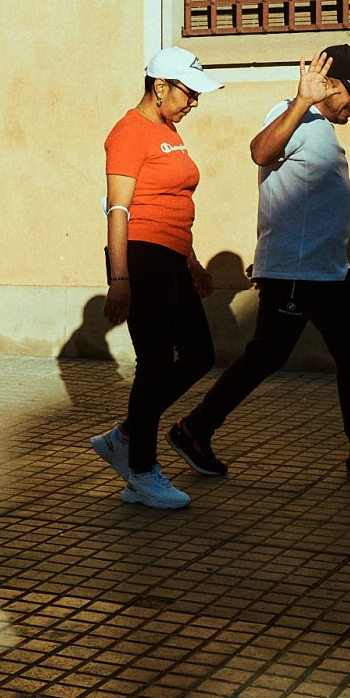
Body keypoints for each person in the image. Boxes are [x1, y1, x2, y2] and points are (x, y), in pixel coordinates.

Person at [166, 45, 350, 482]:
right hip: (296, 275)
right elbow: (261, 153)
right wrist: (301, 100)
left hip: (330, 271)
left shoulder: (321, 128)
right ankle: (194, 430)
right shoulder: (291, 114)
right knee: (266, 356)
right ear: (327, 84)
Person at [91, 47, 223, 509]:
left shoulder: (168, 130)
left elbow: (175, 206)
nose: (193, 103)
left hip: (171, 257)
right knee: (154, 363)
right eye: (188, 93)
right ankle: (141, 473)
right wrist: (119, 276)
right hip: (140, 257)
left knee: (200, 354)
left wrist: (191, 262)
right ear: (159, 86)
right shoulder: (129, 132)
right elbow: (119, 208)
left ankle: (125, 436)